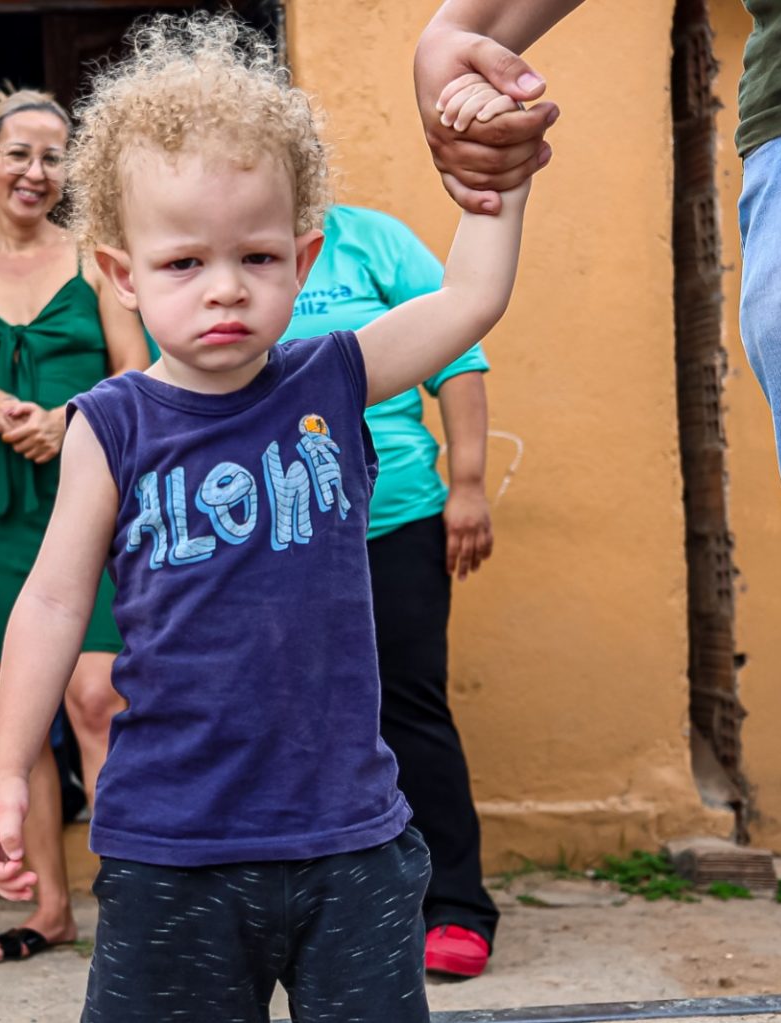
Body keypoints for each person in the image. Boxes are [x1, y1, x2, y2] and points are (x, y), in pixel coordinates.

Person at [0, 14, 529, 1021]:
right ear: (122, 274)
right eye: (184, 263)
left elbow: (472, 298)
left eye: (258, 257)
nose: (226, 288)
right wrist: (7, 768)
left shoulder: (336, 376)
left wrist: (500, 179)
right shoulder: (110, 424)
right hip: (172, 850)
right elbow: (52, 602)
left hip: (349, 843)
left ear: (302, 259)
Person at [413, 3, 781, 1020]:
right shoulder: (127, 417)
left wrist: (467, 483)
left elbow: (461, 330)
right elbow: (462, 317)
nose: (224, 292)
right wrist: (463, 29)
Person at [0, 86, 149, 965]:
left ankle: (134, 899)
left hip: (85, 495)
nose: (35, 172)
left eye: (53, 157)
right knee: (21, 713)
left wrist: (70, 415)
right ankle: (50, 909)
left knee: (97, 696)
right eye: (19, 153)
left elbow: (139, 376)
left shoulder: (96, 260)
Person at [280, 204, 499, 978]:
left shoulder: (372, 240)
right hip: (276, 532)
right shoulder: (227, 249)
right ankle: (327, 907)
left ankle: (456, 905)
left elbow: (457, 354)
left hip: (396, 512)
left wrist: (467, 484)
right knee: (294, 717)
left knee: (409, 704)